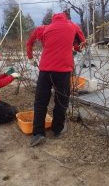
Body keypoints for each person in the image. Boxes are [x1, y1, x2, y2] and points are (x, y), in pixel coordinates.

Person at [27, 12, 86, 147]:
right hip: (63, 71)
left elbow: (30, 42)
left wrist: (30, 57)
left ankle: (38, 133)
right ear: (66, 19)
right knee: (61, 100)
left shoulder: (43, 29)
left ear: (52, 20)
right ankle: (57, 130)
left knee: (40, 101)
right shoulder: (73, 26)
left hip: (45, 70)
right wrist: (74, 47)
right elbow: (81, 44)